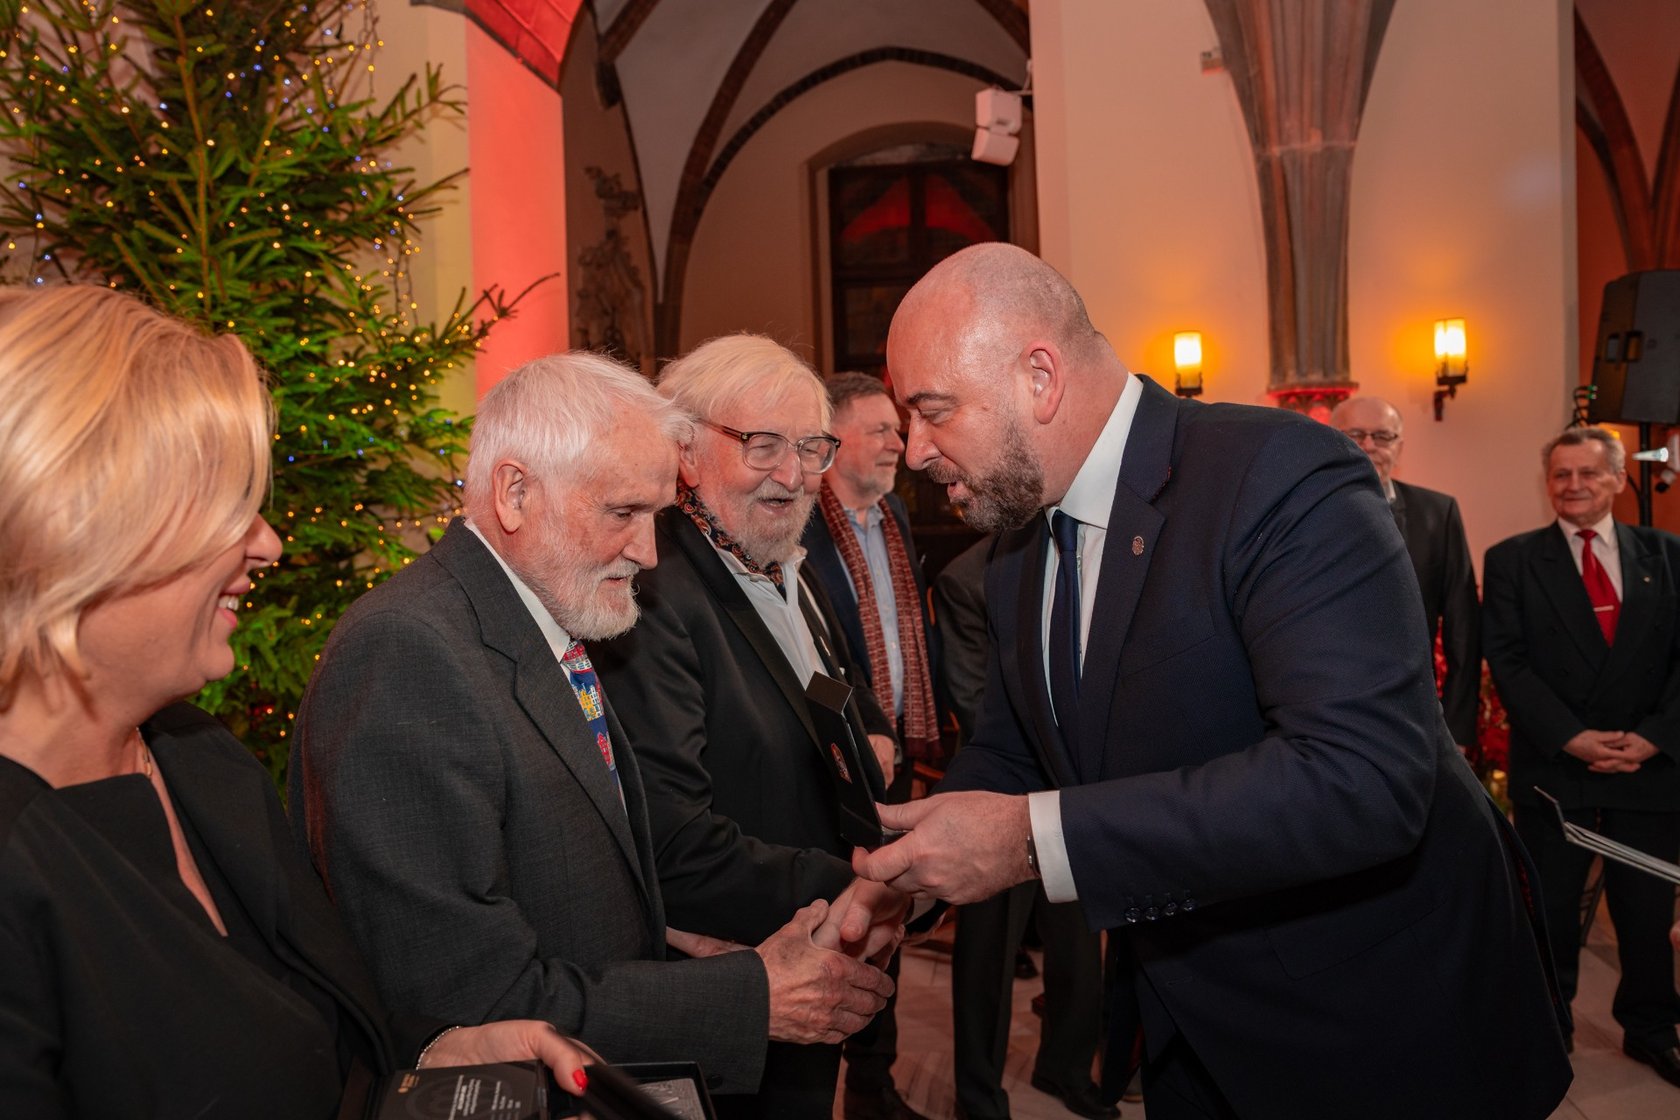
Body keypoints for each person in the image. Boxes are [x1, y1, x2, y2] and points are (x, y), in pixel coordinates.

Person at [845, 242, 1573, 1119]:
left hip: (1373, 1019)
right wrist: (915, 870)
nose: (916, 451)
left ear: (1040, 377)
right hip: (1185, 1018)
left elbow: (1363, 779)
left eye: (932, 411)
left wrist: (1032, 841)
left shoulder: (1278, 474)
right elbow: (1016, 746)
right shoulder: (1016, 551)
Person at [0, 285, 588, 1117]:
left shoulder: (200, 757)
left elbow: (302, 1034)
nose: (268, 544)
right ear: (78, 528)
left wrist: (436, 1055)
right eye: (226, 507)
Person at [289, 351, 894, 1105]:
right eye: (622, 513)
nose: (648, 551)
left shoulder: (544, 620)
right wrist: (749, 998)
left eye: (655, 515)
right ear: (514, 492)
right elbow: (462, 998)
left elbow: (565, 881)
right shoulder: (406, 652)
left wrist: (675, 950)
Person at [592, 335, 909, 1119]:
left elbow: (845, 684)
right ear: (685, 450)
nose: (794, 475)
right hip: (735, 980)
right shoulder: (650, 592)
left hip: (812, 960)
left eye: (810, 447)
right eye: (763, 445)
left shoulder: (786, 562)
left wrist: (875, 733)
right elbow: (672, 843)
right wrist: (861, 891)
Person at [1483, 426, 1680, 1087]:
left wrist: (1655, 736)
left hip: (1649, 767)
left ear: (1619, 479)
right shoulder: (1512, 559)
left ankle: (1652, 1029)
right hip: (1556, 768)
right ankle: (1549, 1027)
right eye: (1561, 474)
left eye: (1589, 473)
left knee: (1646, 914)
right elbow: (1507, 660)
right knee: (1552, 909)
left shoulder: (1669, 554)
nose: (1574, 486)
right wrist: (1572, 737)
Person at [933, 534, 1111, 1120]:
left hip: (1071, 793)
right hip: (995, 796)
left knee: (1078, 944)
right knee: (987, 957)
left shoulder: (1083, 555)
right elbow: (972, 699)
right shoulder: (964, 578)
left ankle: (1065, 1068)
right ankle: (979, 1095)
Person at [797, 371, 936, 1120]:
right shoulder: (800, 525)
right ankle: (826, 1076)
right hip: (841, 758)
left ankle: (874, 1083)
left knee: (891, 916)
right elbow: (816, 658)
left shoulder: (895, 517)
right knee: (840, 913)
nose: (897, 444)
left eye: (898, 430)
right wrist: (863, 730)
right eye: (880, 429)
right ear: (835, 438)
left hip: (900, 749)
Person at [1330, 396, 1481, 754]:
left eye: (1383, 436)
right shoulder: (1299, 512)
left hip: (1412, 712)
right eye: (1355, 435)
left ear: (1399, 447)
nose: (1369, 445)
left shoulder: (1437, 513)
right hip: (1324, 710)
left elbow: (1463, 629)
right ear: (1331, 441)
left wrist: (1458, 731)